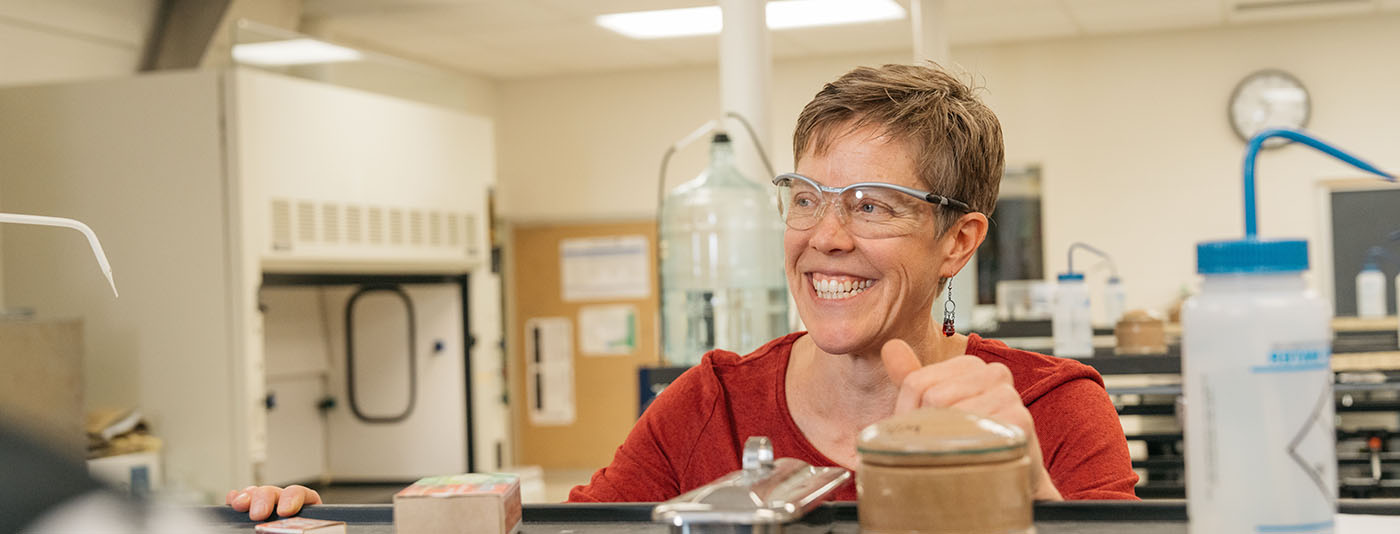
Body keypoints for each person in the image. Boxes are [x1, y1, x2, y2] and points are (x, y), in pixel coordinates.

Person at [228, 62, 1137, 519]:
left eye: (873, 205)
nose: (827, 234)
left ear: (959, 240)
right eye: (809, 197)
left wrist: (1033, 493)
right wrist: (334, 532)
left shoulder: (1051, 411)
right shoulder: (709, 403)